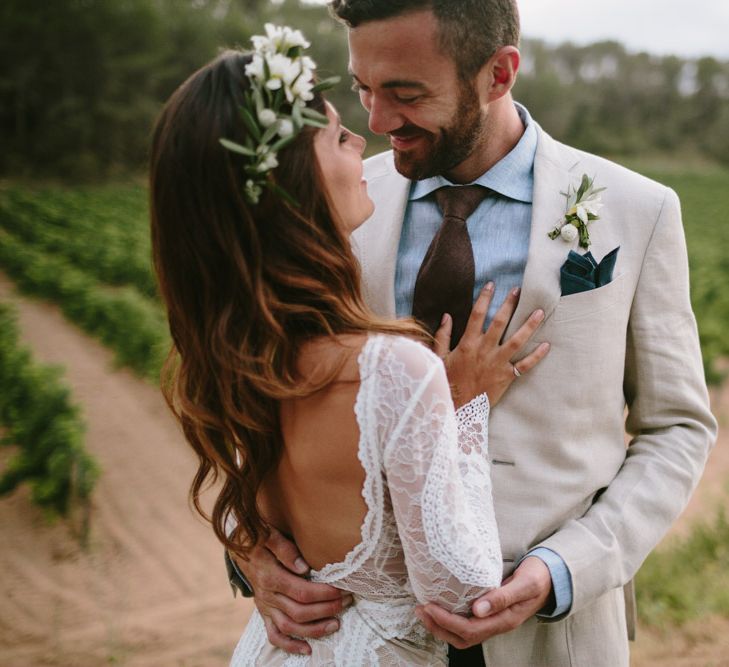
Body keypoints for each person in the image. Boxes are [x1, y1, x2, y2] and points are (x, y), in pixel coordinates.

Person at [233, 2, 718, 666]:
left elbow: (677, 429)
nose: (376, 122)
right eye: (363, 91)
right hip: (355, 632)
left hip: (552, 638)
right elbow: (255, 387)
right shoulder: (334, 194)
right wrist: (249, 544)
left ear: (498, 73)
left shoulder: (638, 212)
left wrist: (561, 569)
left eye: (405, 94)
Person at [149, 26, 551, 666]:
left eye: (400, 91)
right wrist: (463, 407)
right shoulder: (395, 367)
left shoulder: (232, 353)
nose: (364, 137)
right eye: (339, 132)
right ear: (293, 184)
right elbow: (458, 587)